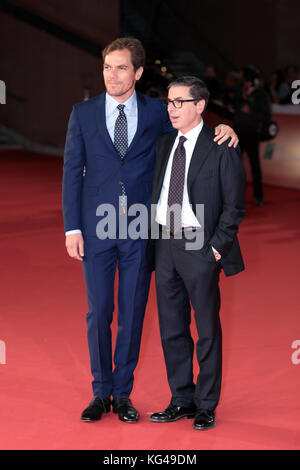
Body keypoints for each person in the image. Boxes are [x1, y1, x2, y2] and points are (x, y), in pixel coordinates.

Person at [62, 37, 239, 424]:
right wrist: (71, 227)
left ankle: (122, 395)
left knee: (132, 313)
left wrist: (225, 128)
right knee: (99, 312)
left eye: (122, 67)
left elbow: (193, 125)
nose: (113, 75)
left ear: (139, 73)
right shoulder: (83, 113)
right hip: (96, 228)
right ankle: (100, 392)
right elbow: (72, 171)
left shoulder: (157, 112)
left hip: (142, 230)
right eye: (108, 67)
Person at [148, 76, 246, 430]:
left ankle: (206, 404)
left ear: (200, 105)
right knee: (172, 328)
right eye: (169, 102)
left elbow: (235, 206)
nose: (171, 109)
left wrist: (216, 250)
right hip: (165, 245)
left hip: (200, 246)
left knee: (206, 329)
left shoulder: (221, 145)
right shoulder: (163, 143)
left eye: (179, 102)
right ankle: (181, 399)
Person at [233, 66, 271, 206]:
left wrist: (251, 112)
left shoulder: (261, 94)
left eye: (247, 80)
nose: (245, 82)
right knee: (235, 166)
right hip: (237, 133)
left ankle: (258, 196)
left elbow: (266, 116)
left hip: (252, 133)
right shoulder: (240, 92)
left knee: (255, 165)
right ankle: (233, 197)